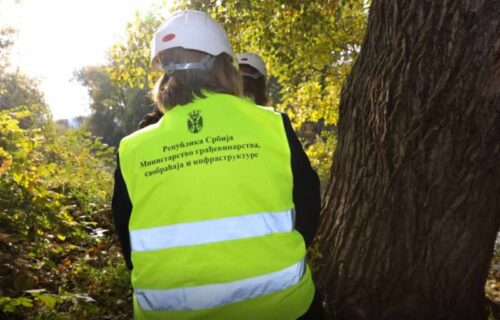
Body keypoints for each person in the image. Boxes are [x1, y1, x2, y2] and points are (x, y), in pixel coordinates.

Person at [112, 10, 322, 320]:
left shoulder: (132, 148)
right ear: (226, 67)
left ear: (164, 75)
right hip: (282, 307)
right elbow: (308, 205)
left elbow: (128, 237)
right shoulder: (273, 126)